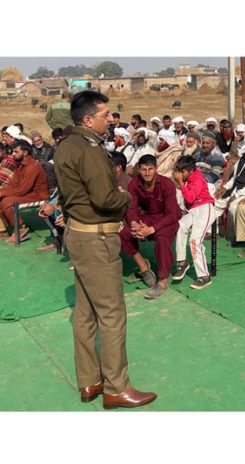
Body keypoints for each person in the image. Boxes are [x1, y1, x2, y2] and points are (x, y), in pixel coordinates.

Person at [53, 90, 157, 409]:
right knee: (112, 314)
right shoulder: (89, 149)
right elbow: (106, 199)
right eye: (105, 115)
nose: (110, 119)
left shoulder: (66, 145)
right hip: (97, 239)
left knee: (85, 314)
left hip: (78, 235)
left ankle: (90, 381)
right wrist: (126, 194)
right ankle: (116, 387)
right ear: (88, 119)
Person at [119, 155, 181, 300]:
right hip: (147, 217)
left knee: (162, 238)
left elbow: (172, 215)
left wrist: (150, 230)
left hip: (166, 219)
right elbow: (131, 209)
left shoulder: (167, 184)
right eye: (144, 169)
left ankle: (163, 280)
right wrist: (135, 224)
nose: (147, 173)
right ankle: (143, 267)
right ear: (139, 170)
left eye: (150, 169)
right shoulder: (134, 183)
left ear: (156, 169)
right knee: (124, 232)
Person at [171, 155, 216, 290]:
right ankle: (182, 262)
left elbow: (190, 198)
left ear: (191, 170)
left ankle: (204, 276)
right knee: (179, 226)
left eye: (182, 171)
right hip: (193, 211)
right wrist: (180, 183)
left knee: (195, 241)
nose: (179, 174)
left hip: (205, 208)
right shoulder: (187, 178)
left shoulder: (197, 178)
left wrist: (180, 183)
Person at [0, 140, 50, 244]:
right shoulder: (20, 164)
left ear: (25, 152)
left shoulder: (32, 166)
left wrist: (3, 192)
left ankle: (22, 228)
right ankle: (6, 229)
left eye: (16, 152)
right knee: (2, 199)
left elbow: (22, 190)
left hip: (38, 195)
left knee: (6, 202)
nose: (13, 154)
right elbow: (13, 184)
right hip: (27, 193)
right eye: (13, 151)